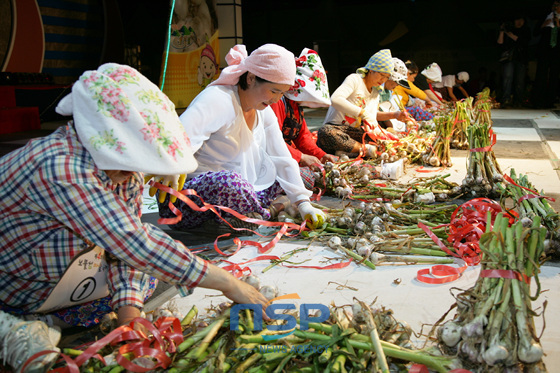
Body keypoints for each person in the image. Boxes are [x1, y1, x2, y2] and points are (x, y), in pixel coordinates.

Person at [0, 63, 268, 372]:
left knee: (147, 275)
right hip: (13, 282)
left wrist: (131, 319)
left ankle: (43, 321)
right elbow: (132, 241)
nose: (133, 174)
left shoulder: (121, 172)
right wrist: (228, 283)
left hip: (55, 278)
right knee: (152, 256)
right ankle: (14, 325)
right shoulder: (60, 167)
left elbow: (126, 249)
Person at [157, 44, 327, 233]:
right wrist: (174, 164)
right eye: (273, 91)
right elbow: (179, 137)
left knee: (304, 176)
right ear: (251, 78)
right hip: (186, 201)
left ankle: (256, 213)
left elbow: (282, 157)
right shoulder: (218, 100)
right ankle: (268, 211)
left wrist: (304, 204)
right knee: (231, 183)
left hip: (247, 191)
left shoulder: (264, 111)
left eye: (281, 93)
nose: (277, 99)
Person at [316, 49, 408, 158]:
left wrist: (384, 135)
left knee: (379, 140)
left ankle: (351, 151)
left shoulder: (376, 92)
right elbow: (335, 99)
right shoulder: (354, 79)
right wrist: (362, 113)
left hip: (353, 132)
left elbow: (372, 120)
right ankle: (365, 150)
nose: (383, 80)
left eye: (387, 77)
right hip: (337, 129)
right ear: (371, 70)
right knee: (325, 132)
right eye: (381, 75)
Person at [270, 48, 337, 191]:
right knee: (307, 178)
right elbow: (271, 142)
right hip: (273, 156)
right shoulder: (278, 102)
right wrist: (301, 157)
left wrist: (322, 155)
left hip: (286, 154)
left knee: (316, 173)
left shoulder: (296, 104)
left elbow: (303, 137)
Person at [497, 14, 531, 107]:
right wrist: (502, 31)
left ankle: (518, 100)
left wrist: (509, 34)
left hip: (521, 58)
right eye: (517, 20)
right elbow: (500, 43)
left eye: (521, 20)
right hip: (509, 58)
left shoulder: (525, 30)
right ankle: (506, 99)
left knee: (519, 81)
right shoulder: (509, 29)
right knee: (507, 78)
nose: (519, 22)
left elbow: (522, 42)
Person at [531, 0, 560, 109]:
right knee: (541, 75)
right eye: (554, 5)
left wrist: (558, 24)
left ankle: (550, 100)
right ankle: (538, 101)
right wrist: (544, 25)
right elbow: (535, 32)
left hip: (557, 52)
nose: (555, 7)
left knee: (554, 76)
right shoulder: (546, 16)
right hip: (544, 50)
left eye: (558, 5)